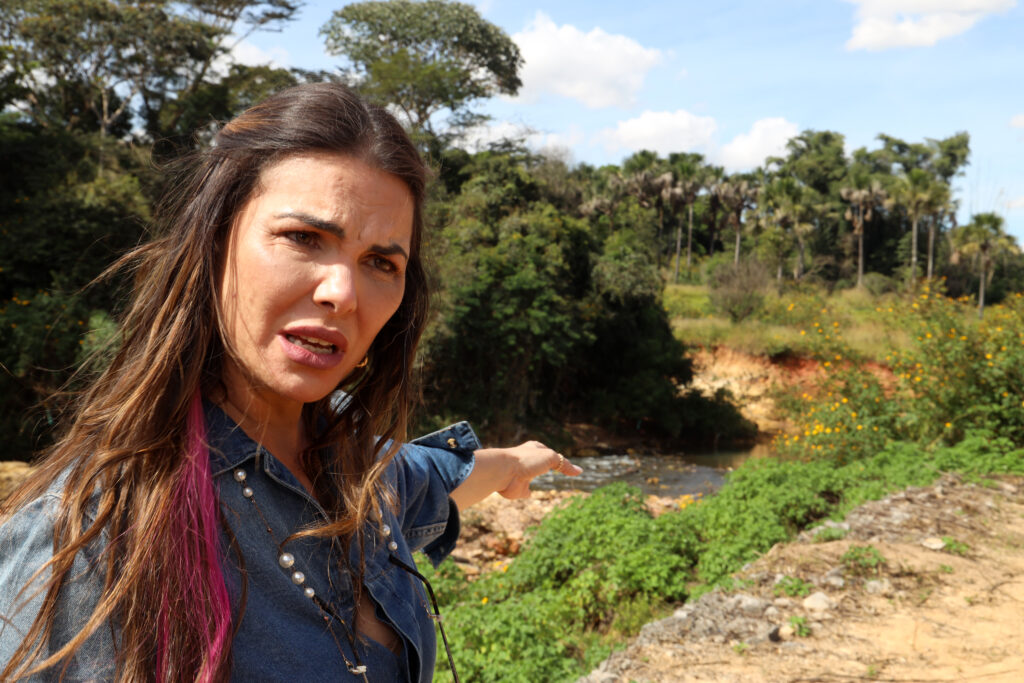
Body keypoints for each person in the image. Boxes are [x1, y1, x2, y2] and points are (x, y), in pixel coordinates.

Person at [0, 83, 580, 682]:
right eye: (304, 238)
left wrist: (517, 461)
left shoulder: (355, 470)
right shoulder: (95, 536)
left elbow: (437, 476)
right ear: (213, 240)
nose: (343, 294)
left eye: (382, 263)